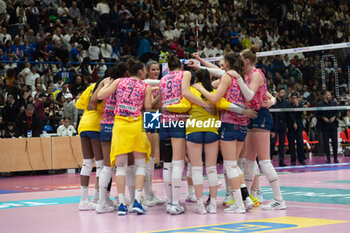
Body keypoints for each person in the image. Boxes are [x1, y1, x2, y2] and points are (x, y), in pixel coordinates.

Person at [169, 69, 257, 214]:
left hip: (194, 130)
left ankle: (200, 205)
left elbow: (182, 107)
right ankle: (213, 205)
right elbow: (225, 104)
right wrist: (244, 111)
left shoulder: (191, 91)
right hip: (212, 131)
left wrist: (166, 106)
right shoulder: (213, 92)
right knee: (211, 168)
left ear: (195, 78)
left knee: (196, 168)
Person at [193, 52, 256, 214]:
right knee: (233, 165)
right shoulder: (241, 78)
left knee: (230, 165)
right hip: (242, 124)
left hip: (229, 123)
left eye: (222, 63)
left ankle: (240, 205)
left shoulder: (228, 77)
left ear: (227, 64)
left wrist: (200, 88)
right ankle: (245, 199)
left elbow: (215, 100)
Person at [154, 54, 213, 215]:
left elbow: (158, 102)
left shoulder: (163, 79)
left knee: (168, 165)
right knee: (178, 162)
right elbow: (186, 93)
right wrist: (204, 104)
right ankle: (174, 203)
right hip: (178, 121)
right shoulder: (185, 74)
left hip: (164, 121)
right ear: (181, 66)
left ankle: (170, 202)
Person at [233, 45, 286, 210]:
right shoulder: (248, 75)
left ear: (246, 61)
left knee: (264, 160)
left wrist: (272, 101)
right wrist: (272, 100)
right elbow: (268, 96)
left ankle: (279, 200)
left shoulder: (256, 74)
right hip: (251, 116)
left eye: (240, 60)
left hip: (260, 116)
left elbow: (251, 94)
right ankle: (246, 200)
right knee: (249, 161)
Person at [97, 58, 152, 216]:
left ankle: (122, 204)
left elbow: (100, 95)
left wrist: (107, 84)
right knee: (140, 166)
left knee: (120, 167)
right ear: (140, 72)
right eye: (145, 71)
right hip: (136, 126)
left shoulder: (119, 82)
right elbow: (148, 110)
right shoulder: (145, 86)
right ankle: (137, 201)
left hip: (120, 126)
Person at [89, 63, 128, 214]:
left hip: (105, 125)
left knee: (107, 166)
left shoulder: (106, 84)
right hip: (119, 126)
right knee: (122, 166)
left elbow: (93, 101)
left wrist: (102, 84)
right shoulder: (123, 85)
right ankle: (123, 200)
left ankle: (100, 202)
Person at [75, 82, 104, 211]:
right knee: (100, 164)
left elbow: (78, 104)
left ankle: (83, 200)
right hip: (95, 124)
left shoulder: (90, 87)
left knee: (86, 163)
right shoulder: (105, 87)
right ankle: (96, 199)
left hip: (83, 124)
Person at [143, 60, 165, 207]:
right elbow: (151, 106)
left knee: (152, 157)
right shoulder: (146, 85)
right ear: (146, 71)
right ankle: (146, 194)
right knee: (148, 158)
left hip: (156, 117)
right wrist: (162, 93)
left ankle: (149, 193)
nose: (156, 72)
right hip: (148, 118)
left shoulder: (157, 83)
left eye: (158, 69)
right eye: (153, 69)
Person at [316, 90, 338, 163]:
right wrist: (323, 117)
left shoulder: (334, 103)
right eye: (328, 95)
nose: (329, 96)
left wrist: (334, 117)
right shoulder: (319, 104)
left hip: (333, 125)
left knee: (335, 142)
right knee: (326, 143)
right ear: (324, 95)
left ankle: (335, 158)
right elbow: (317, 114)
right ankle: (328, 158)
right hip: (324, 125)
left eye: (330, 95)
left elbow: (337, 112)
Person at [270, 88, 289, 166]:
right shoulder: (274, 102)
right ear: (278, 93)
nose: (283, 94)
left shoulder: (286, 103)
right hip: (275, 125)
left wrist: (287, 125)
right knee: (272, 143)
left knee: (282, 144)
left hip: (283, 124)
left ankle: (281, 160)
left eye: (284, 92)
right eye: (281, 92)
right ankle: (269, 160)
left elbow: (287, 115)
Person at [287, 92, 306, 165]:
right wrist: (294, 122)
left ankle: (301, 159)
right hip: (291, 126)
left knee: (300, 143)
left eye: (295, 98)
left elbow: (301, 115)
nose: (294, 100)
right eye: (293, 98)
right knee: (291, 144)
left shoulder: (300, 105)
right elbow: (290, 115)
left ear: (297, 99)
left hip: (299, 126)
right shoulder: (288, 106)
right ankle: (293, 160)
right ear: (291, 99)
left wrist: (298, 106)